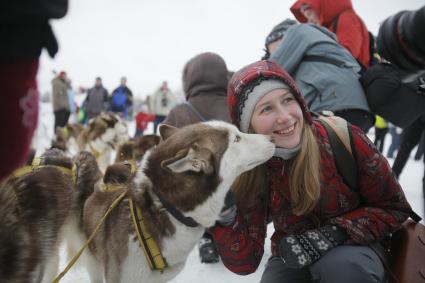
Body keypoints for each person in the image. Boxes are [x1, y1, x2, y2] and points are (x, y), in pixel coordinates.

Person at [209, 60, 411, 283]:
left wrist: (335, 233)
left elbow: (395, 208)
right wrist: (226, 218)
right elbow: (246, 261)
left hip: (359, 247)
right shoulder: (254, 168)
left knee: (339, 268)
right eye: (266, 108)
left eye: (288, 100)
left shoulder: (342, 138)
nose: (285, 116)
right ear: (249, 127)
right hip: (295, 252)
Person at [163, 52, 231, 263]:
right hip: (236, 189)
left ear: (189, 79)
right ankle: (235, 235)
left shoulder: (180, 111)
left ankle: (207, 237)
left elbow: (164, 152)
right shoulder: (234, 104)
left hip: (199, 192)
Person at [264, 19, 374, 133]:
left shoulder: (297, 32)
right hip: (357, 108)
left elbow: (271, 70)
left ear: (282, 39)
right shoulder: (320, 40)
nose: (273, 53)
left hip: (332, 105)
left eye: (275, 49)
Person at [0, 1, 68, 181]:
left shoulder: (64, 84)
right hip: (17, 49)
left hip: (26, 39)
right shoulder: (56, 83)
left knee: (13, 148)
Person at [290, 0, 371, 68]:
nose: (309, 21)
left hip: (355, 78)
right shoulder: (329, 27)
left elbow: (347, 55)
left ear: (320, 8)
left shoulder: (347, 18)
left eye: (309, 15)